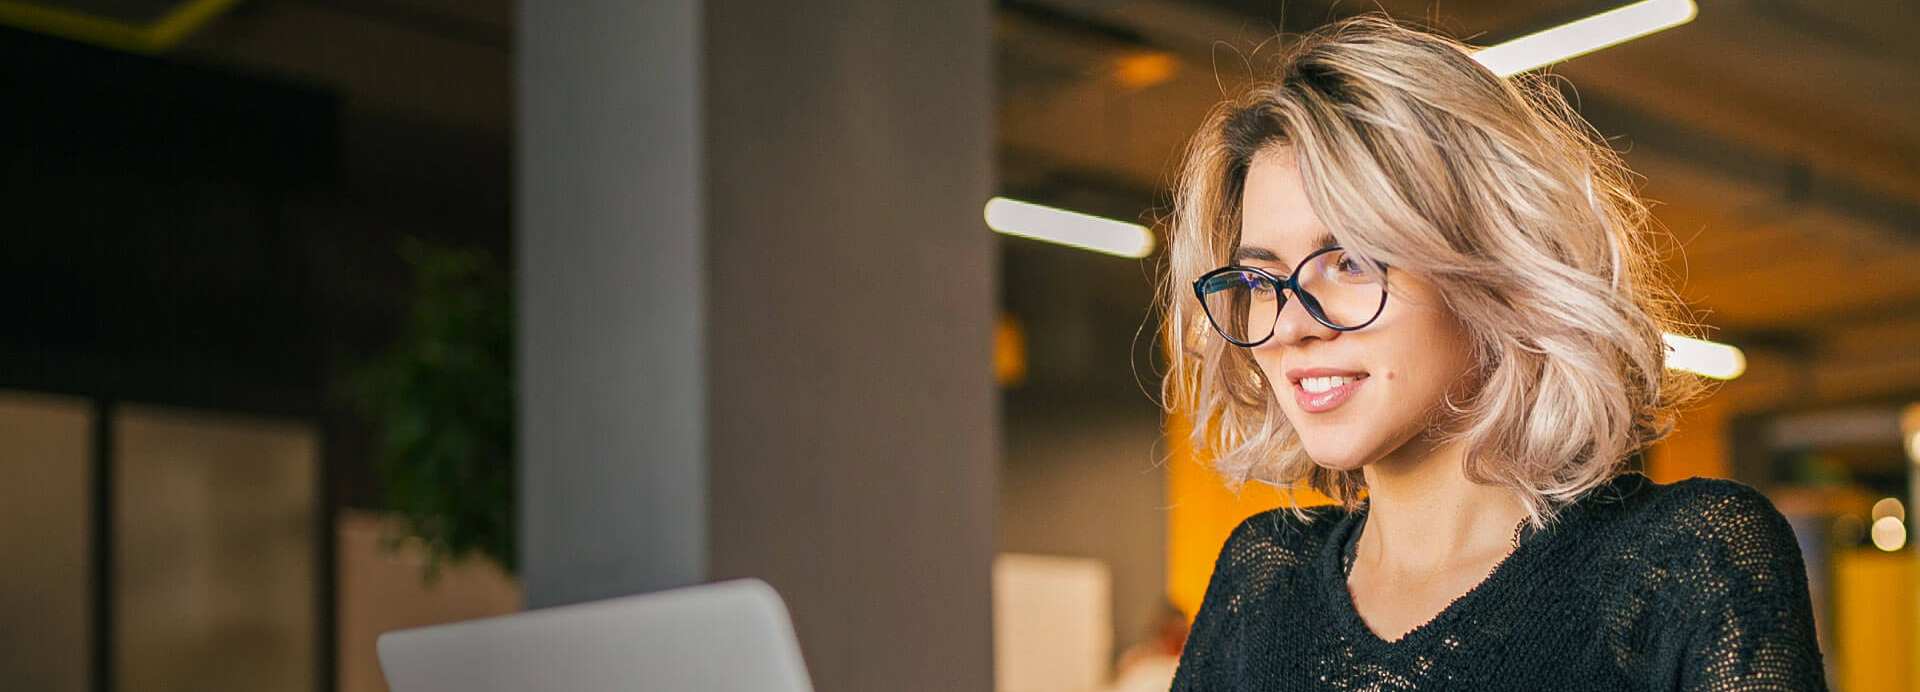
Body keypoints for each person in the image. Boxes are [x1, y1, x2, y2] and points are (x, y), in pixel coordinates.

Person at [1160, 16, 1826, 691]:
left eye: (1352, 262)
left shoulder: (1684, 561)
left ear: (1491, 271)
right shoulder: (1262, 578)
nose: (1289, 326)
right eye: (1259, 279)